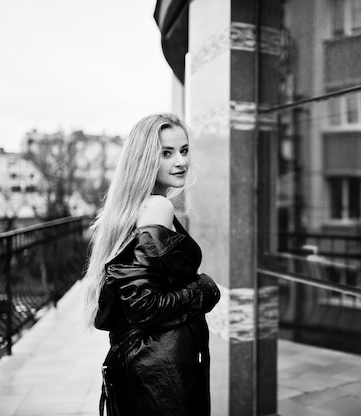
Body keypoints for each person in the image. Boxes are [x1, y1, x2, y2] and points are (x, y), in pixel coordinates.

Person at [83, 113, 220, 416]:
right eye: (167, 153)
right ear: (145, 159)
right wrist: (205, 290)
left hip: (151, 365)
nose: (180, 162)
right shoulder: (158, 206)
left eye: (184, 150)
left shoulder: (135, 207)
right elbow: (142, 305)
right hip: (161, 371)